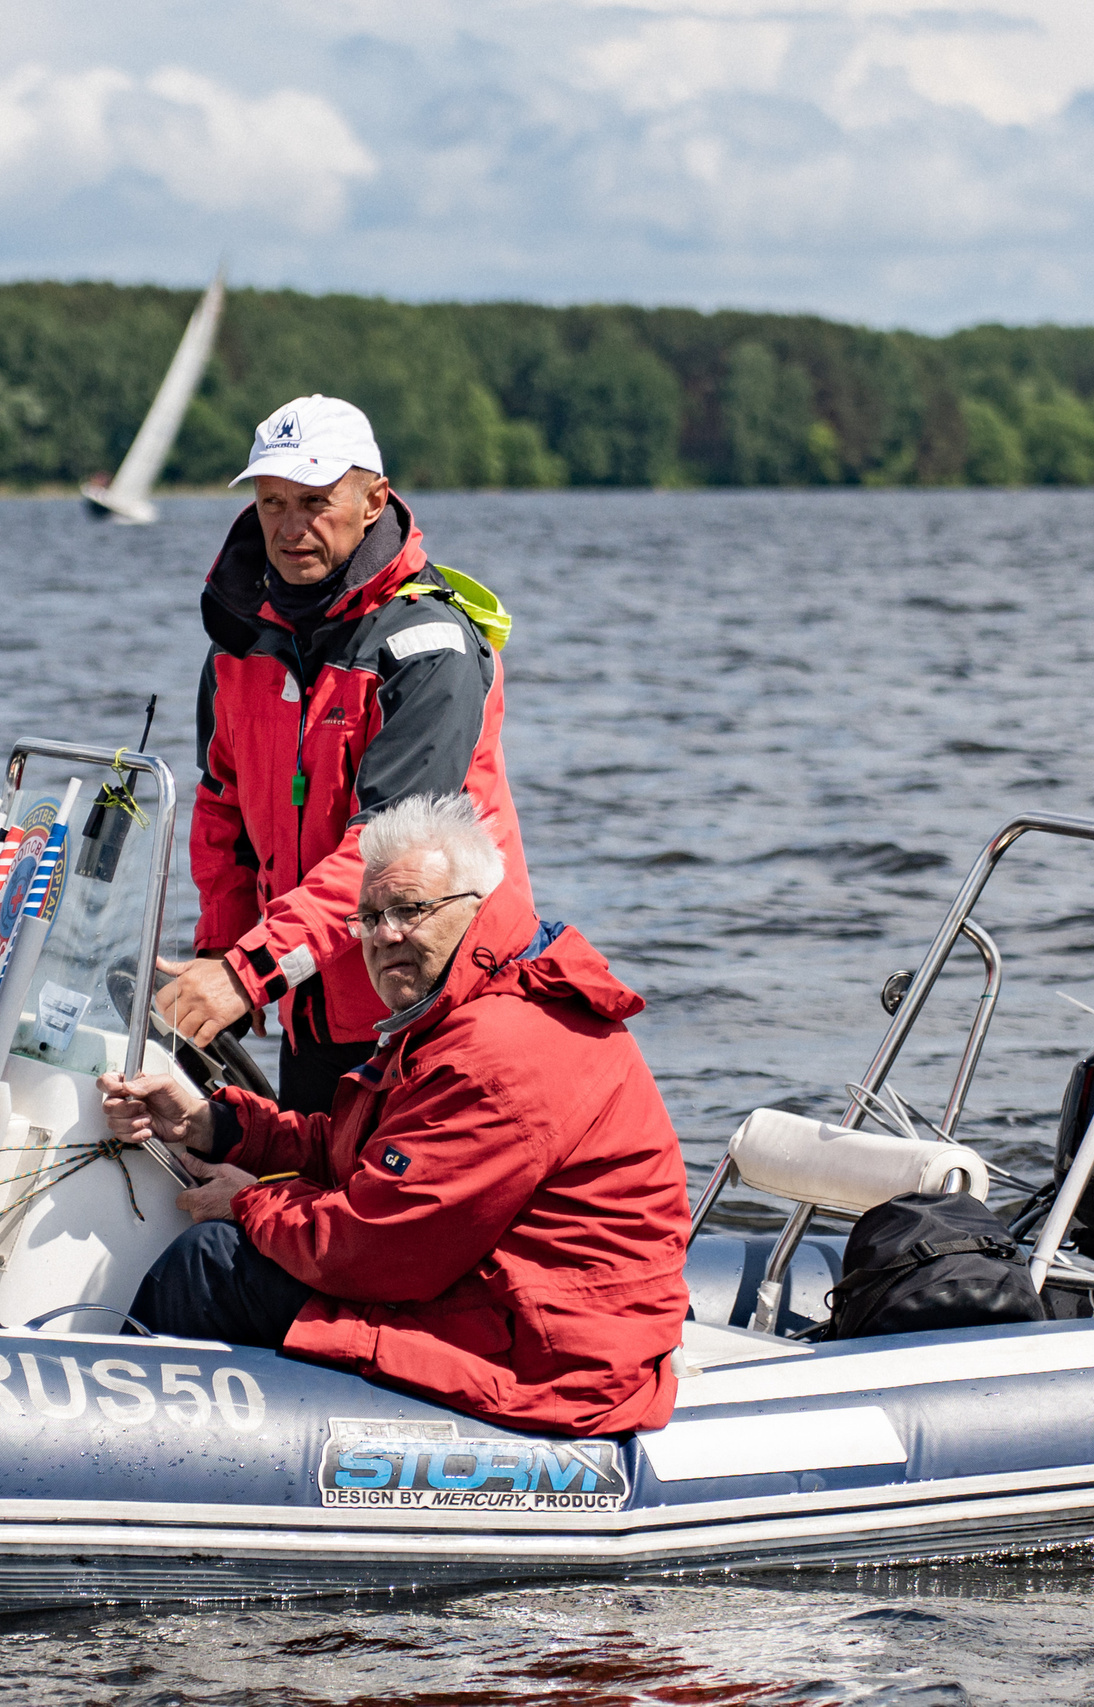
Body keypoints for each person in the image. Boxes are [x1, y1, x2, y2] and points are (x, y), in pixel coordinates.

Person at [100, 794, 691, 1437]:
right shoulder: (465, 1006)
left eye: (410, 910)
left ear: (477, 908)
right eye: (370, 918)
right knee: (238, 1247)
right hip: (506, 1301)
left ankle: (110, 1453)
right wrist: (214, 1126)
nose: (384, 936)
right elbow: (368, 1156)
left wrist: (248, 1203)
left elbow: (368, 1250)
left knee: (211, 1265)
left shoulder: (496, 1050)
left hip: (550, 1357)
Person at [153, 395, 532, 1112]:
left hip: (439, 1007)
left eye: (315, 501)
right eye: (272, 503)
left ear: (372, 502)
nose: (290, 527)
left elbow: (384, 852)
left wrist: (246, 973)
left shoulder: (430, 647)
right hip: (312, 1006)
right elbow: (221, 810)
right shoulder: (240, 643)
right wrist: (222, 949)